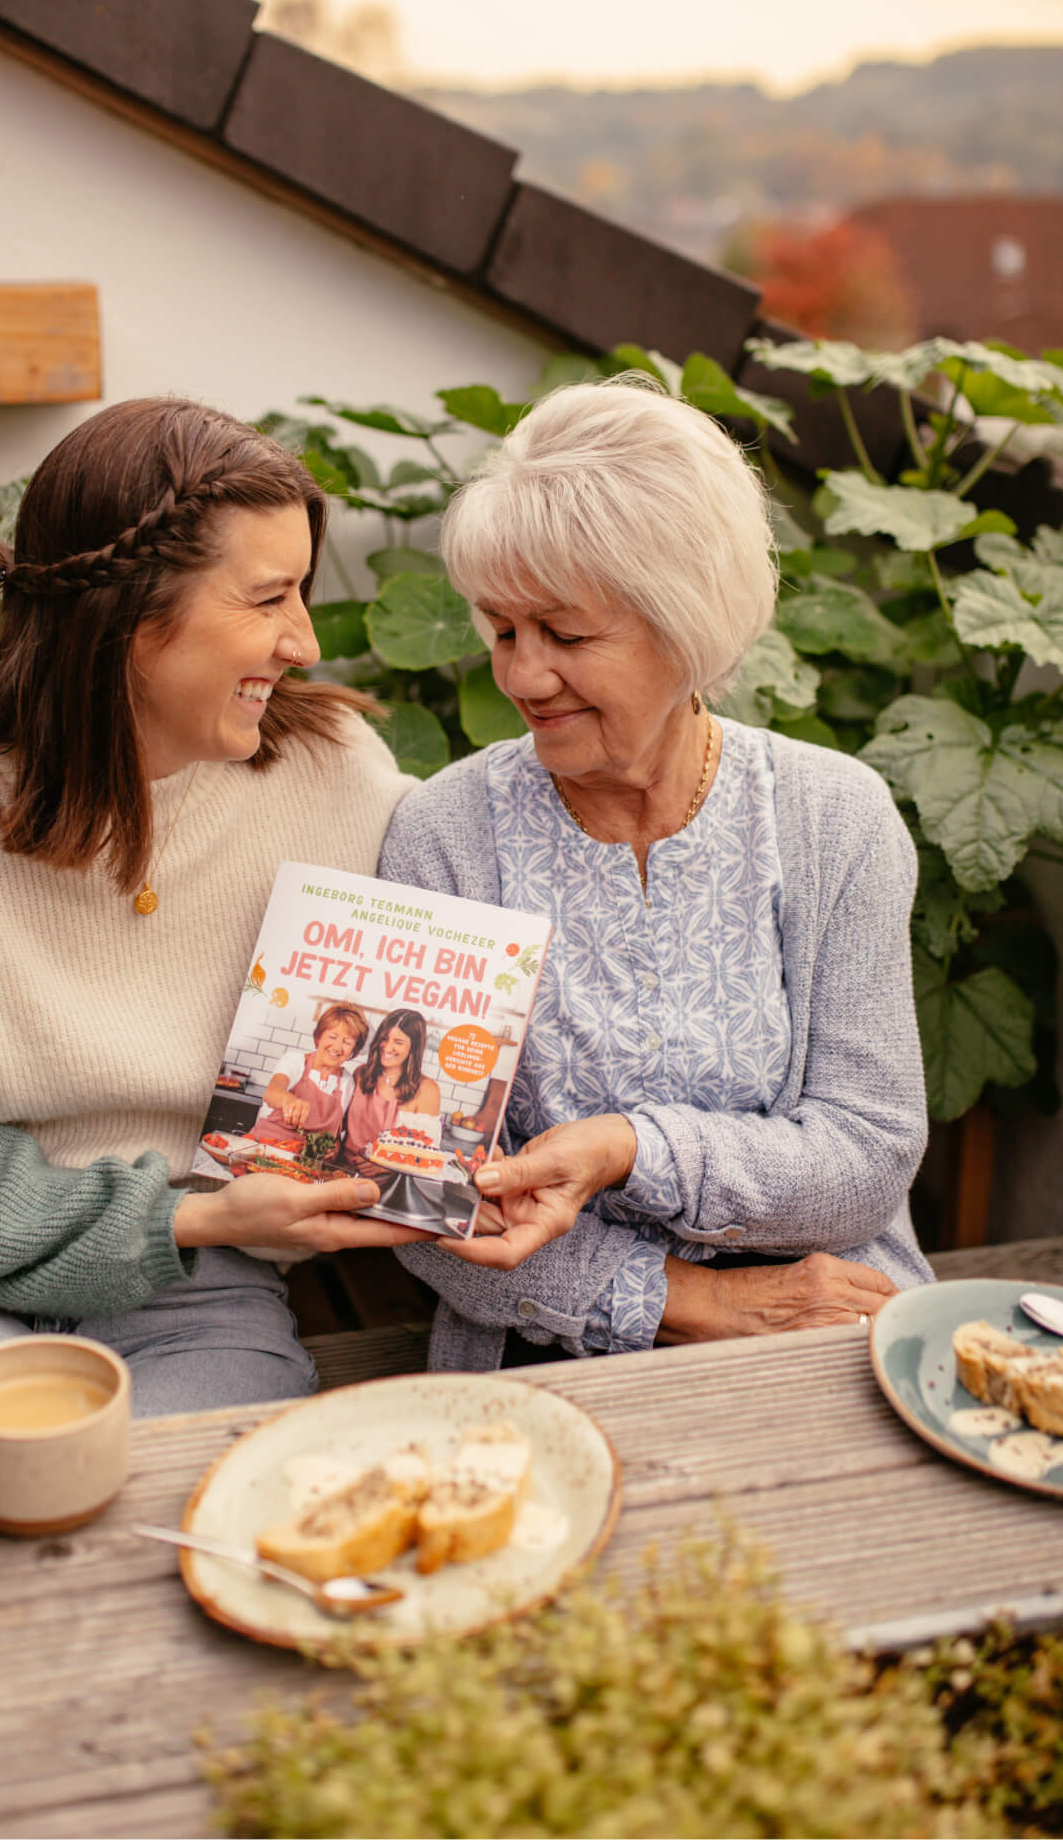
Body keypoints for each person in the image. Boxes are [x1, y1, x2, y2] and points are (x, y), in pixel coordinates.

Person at [0, 398, 423, 1454]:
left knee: (194, 1488)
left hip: (197, 1298)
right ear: (133, 622)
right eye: (269, 597)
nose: (305, 640)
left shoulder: (335, 783)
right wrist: (203, 1214)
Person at [378, 378, 933, 1372]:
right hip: (549, 1343)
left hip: (829, 1311)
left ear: (685, 624)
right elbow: (418, 1189)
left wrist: (630, 1147)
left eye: (565, 634)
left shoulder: (831, 818)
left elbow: (866, 1151)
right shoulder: (444, 833)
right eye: (501, 630)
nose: (520, 675)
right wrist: (688, 1299)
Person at [244, 1002, 370, 1150]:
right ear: (319, 1037)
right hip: (262, 1147)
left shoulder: (347, 1082)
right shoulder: (295, 1061)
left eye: (347, 1042)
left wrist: (334, 1147)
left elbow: (335, 1132)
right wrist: (289, 1101)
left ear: (354, 1050)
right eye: (332, 1036)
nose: (337, 1047)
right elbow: (272, 1092)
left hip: (304, 1164)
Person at [342, 1009, 441, 1167]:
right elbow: (340, 1125)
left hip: (389, 1182)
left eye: (398, 1042)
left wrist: (384, 1168)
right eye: (384, 1039)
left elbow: (425, 1156)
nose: (387, 1048)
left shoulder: (427, 1089)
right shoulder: (361, 1073)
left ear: (413, 1048)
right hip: (343, 1167)